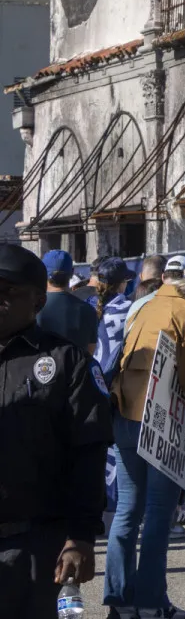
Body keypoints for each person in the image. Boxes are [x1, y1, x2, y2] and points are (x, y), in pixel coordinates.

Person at [0, 243, 113, 619]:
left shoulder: (66, 363)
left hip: (33, 545)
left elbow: (89, 452)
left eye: (7, 292)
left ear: (36, 300)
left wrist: (81, 536)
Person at [107, 232, 185, 619]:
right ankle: (152, 602)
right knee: (157, 514)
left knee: (127, 513)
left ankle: (121, 601)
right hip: (160, 422)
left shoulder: (144, 306)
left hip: (124, 414)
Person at [35, 250, 97, 357]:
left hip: (39, 370)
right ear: (72, 272)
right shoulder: (88, 310)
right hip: (77, 371)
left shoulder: (32, 308)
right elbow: (90, 351)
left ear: (44, 272)